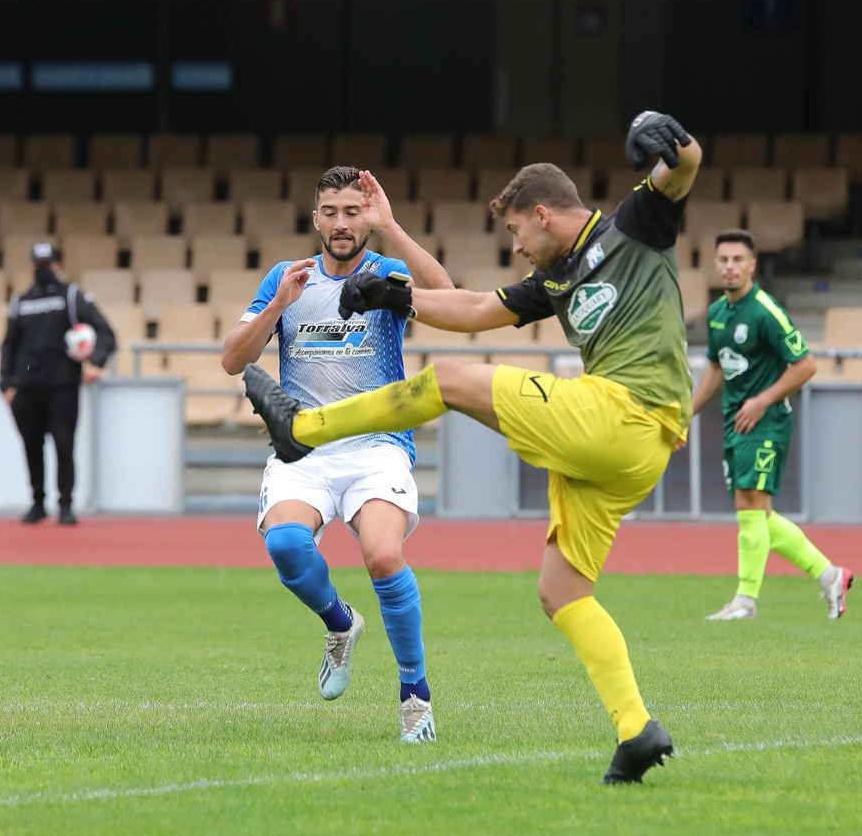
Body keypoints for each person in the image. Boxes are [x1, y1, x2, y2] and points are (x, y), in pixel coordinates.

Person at [242, 110, 701, 784]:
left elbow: (682, 168)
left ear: (542, 214)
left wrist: (670, 135)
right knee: (561, 589)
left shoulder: (631, 225)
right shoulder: (555, 278)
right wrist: (395, 293)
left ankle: (301, 430)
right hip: (629, 453)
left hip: (627, 412)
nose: (514, 247)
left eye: (515, 231)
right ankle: (636, 731)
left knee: (449, 382)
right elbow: (476, 310)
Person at [221, 166, 453, 743]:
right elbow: (232, 360)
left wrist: (393, 228)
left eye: (354, 212)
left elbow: (449, 299)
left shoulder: (387, 271)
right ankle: (340, 624)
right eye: (332, 212)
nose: (343, 223)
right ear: (316, 217)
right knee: (286, 544)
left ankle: (415, 695)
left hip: (377, 448)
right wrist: (277, 305)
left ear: (365, 216)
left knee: (381, 557)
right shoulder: (287, 276)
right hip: (305, 448)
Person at [691, 229, 854, 621]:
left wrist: (762, 401)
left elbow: (806, 364)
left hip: (766, 422)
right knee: (756, 513)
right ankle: (831, 575)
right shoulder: (716, 314)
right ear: (716, 266)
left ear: (752, 265)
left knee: (750, 508)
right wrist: (688, 414)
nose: (730, 267)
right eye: (724, 260)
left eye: (738, 260)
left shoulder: (765, 311)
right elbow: (715, 367)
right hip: (736, 422)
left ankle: (746, 602)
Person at [0, 242, 117, 526]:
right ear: (31, 267)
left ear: (57, 265)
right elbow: (9, 346)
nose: (43, 270)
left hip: (62, 386)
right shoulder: (20, 302)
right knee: (32, 447)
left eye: (48, 265)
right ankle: (38, 503)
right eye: (38, 266)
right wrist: (6, 385)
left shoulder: (72, 296)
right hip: (27, 389)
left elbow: (105, 332)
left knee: (64, 446)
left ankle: (66, 505)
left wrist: (97, 363)